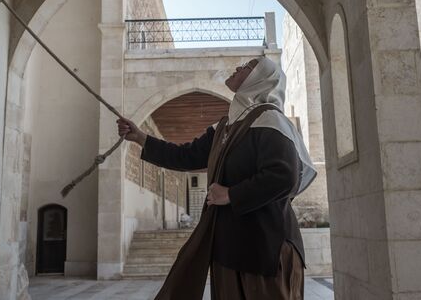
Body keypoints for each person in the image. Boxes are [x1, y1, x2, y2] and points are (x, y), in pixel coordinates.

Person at [117, 56, 317, 300]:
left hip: (265, 248)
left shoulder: (270, 119)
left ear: (260, 78)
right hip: (229, 250)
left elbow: (284, 176)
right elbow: (185, 156)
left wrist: (231, 194)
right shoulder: (226, 127)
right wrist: (140, 137)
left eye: (248, 66)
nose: (238, 67)